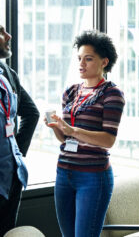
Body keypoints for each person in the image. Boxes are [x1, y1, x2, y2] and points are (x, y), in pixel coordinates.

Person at [45, 31, 125, 237]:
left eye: (88, 59)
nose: (81, 63)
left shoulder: (112, 94)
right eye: (79, 58)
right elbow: (66, 139)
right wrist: (58, 129)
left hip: (93, 176)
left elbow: (108, 140)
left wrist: (72, 130)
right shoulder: (70, 92)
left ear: (104, 62)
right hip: (64, 172)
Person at [0, 25, 39, 235]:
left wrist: (18, 154)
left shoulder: (7, 72)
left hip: (11, 177)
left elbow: (32, 113)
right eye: (1, 32)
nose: (9, 36)